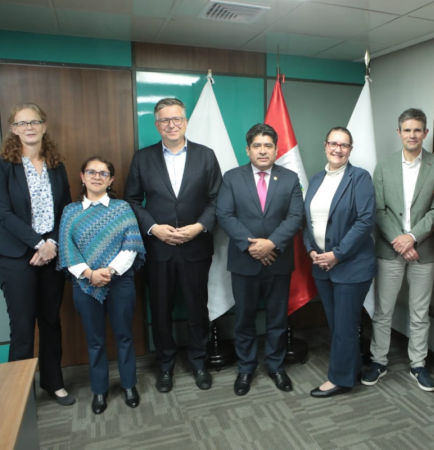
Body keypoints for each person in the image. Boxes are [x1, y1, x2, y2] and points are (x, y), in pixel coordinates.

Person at [124, 97, 222, 393]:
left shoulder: (206, 155)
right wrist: (153, 228)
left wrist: (199, 226)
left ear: (185, 122)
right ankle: (165, 366)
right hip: (158, 249)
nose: (171, 124)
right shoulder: (142, 158)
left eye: (176, 118)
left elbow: (217, 199)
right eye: (165, 120)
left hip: (196, 247)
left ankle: (199, 362)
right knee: (161, 309)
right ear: (157, 125)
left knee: (197, 308)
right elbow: (131, 200)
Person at [362, 108, 434, 391]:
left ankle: (418, 364)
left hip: (424, 249)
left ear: (425, 133)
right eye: (407, 130)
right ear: (399, 133)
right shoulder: (384, 165)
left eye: (417, 130)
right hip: (390, 249)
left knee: (420, 312)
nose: (412, 135)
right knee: (383, 310)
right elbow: (378, 209)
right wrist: (399, 240)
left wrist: (412, 238)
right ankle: (378, 360)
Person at [216, 123, 303, 396]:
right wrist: (251, 246)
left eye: (268, 146)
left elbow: (296, 216)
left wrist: (271, 244)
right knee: (244, 319)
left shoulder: (290, 178)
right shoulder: (232, 177)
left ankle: (276, 366)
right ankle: (246, 368)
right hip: (245, 262)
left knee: (277, 319)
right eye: (257, 146)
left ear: (276, 149)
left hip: (279, 260)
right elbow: (224, 214)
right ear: (248, 150)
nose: (263, 151)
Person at [58, 156, 145, 414]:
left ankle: (129, 385)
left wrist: (109, 271)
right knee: (94, 340)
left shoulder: (122, 208)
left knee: (124, 335)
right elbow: (67, 248)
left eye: (103, 173)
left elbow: (131, 244)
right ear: (82, 177)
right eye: (91, 172)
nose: (97, 177)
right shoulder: (70, 212)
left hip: (120, 282)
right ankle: (99, 389)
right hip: (84, 284)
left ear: (111, 180)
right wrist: (88, 273)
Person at [0, 103, 73, 405]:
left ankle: (53, 383)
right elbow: (3, 212)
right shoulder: (4, 165)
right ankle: (18, 397)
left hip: (51, 255)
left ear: (44, 126)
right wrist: (37, 244)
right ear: (13, 129)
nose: (29, 127)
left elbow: (66, 208)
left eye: (34, 122)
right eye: (22, 123)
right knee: (22, 327)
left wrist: (51, 243)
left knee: (51, 321)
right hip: (17, 257)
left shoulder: (56, 166)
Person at [303, 126, 376, 398]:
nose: (338, 149)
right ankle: (353, 367)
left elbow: (365, 221)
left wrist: (337, 254)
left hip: (352, 265)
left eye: (344, 145)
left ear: (350, 150)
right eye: (333, 143)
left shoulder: (360, 178)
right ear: (325, 146)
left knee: (345, 324)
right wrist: (312, 251)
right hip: (322, 265)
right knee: (336, 323)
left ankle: (339, 379)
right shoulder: (316, 179)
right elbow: (307, 222)